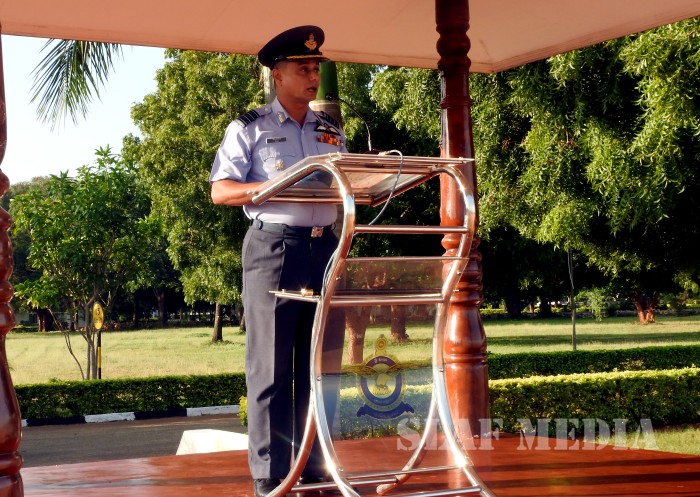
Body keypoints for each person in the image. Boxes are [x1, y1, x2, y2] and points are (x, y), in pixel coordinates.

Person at [210, 25, 346, 497]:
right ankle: (271, 477)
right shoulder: (249, 127)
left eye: (315, 68)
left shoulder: (331, 131)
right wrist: (268, 188)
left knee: (319, 364)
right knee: (270, 366)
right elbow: (220, 190)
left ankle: (315, 465)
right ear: (278, 75)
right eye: (302, 68)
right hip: (274, 249)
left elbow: (349, 183)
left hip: (324, 248)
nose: (312, 76)